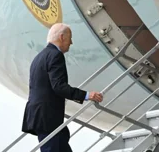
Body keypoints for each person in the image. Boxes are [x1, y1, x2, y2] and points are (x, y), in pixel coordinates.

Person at [22, 23, 103, 152]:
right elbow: (59, 87)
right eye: (70, 38)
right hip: (47, 117)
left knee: (62, 140)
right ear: (62, 37)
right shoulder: (55, 55)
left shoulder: (39, 57)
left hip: (40, 115)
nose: (71, 42)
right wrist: (87, 95)